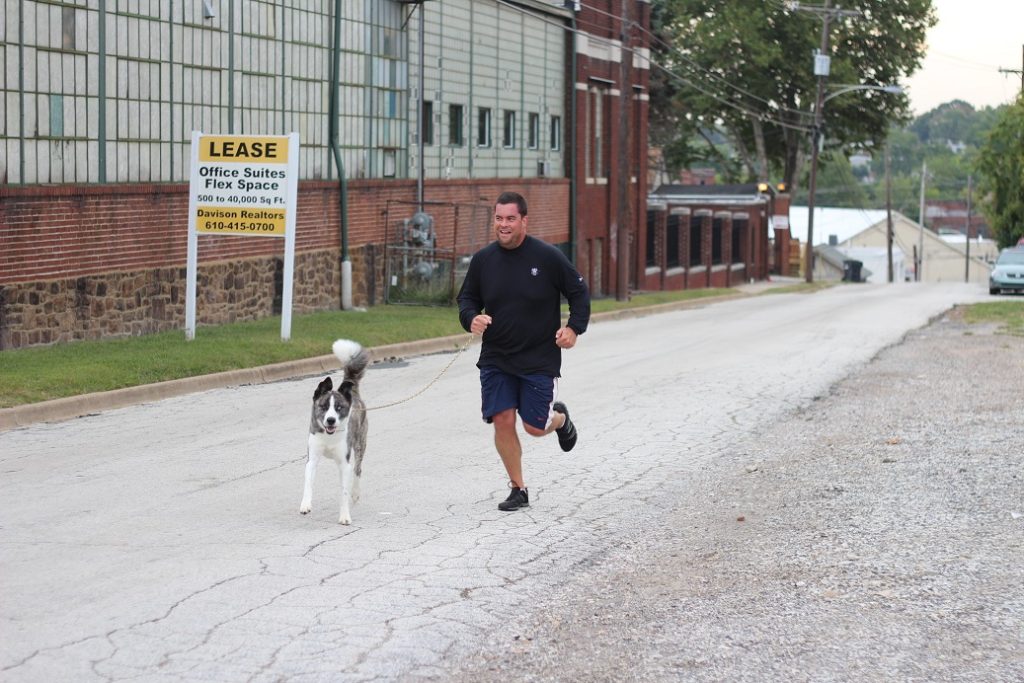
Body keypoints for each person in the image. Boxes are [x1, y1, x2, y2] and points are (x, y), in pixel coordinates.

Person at [457, 191, 591, 511]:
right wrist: (471, 318)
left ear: (524, 221)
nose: (503, 225)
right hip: (496, 357)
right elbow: (467, 299)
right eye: (499, 219)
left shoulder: (547, 257)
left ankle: (559, 420)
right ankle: (519, 488)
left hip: (538, 359)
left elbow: (579, 293)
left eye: (510, 219)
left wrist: (573, 328)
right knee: (502, 419)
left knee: (533, 427)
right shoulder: (484, 260)